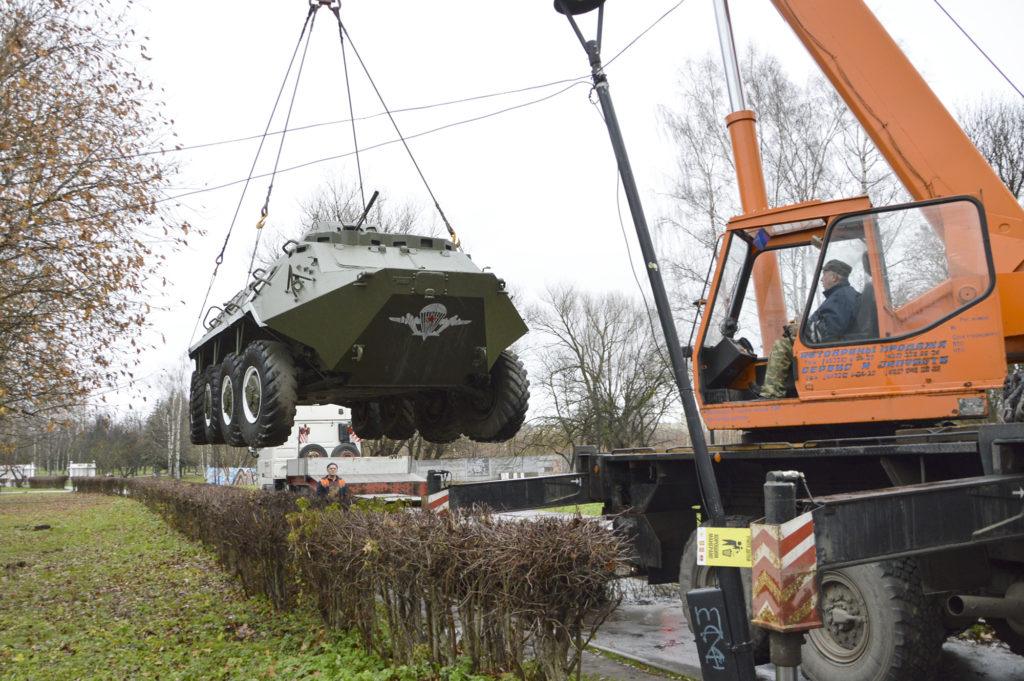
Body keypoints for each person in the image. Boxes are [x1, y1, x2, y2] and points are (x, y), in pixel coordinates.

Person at [758, 259, 860, 399]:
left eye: (823, 275)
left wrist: (800, 330)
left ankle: (771, 393)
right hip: (837, 348)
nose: (821, 280)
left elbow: (829, 331)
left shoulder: (841, 297)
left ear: (834, 277)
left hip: (832, 352)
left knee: (782, 345)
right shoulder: (843, 295)